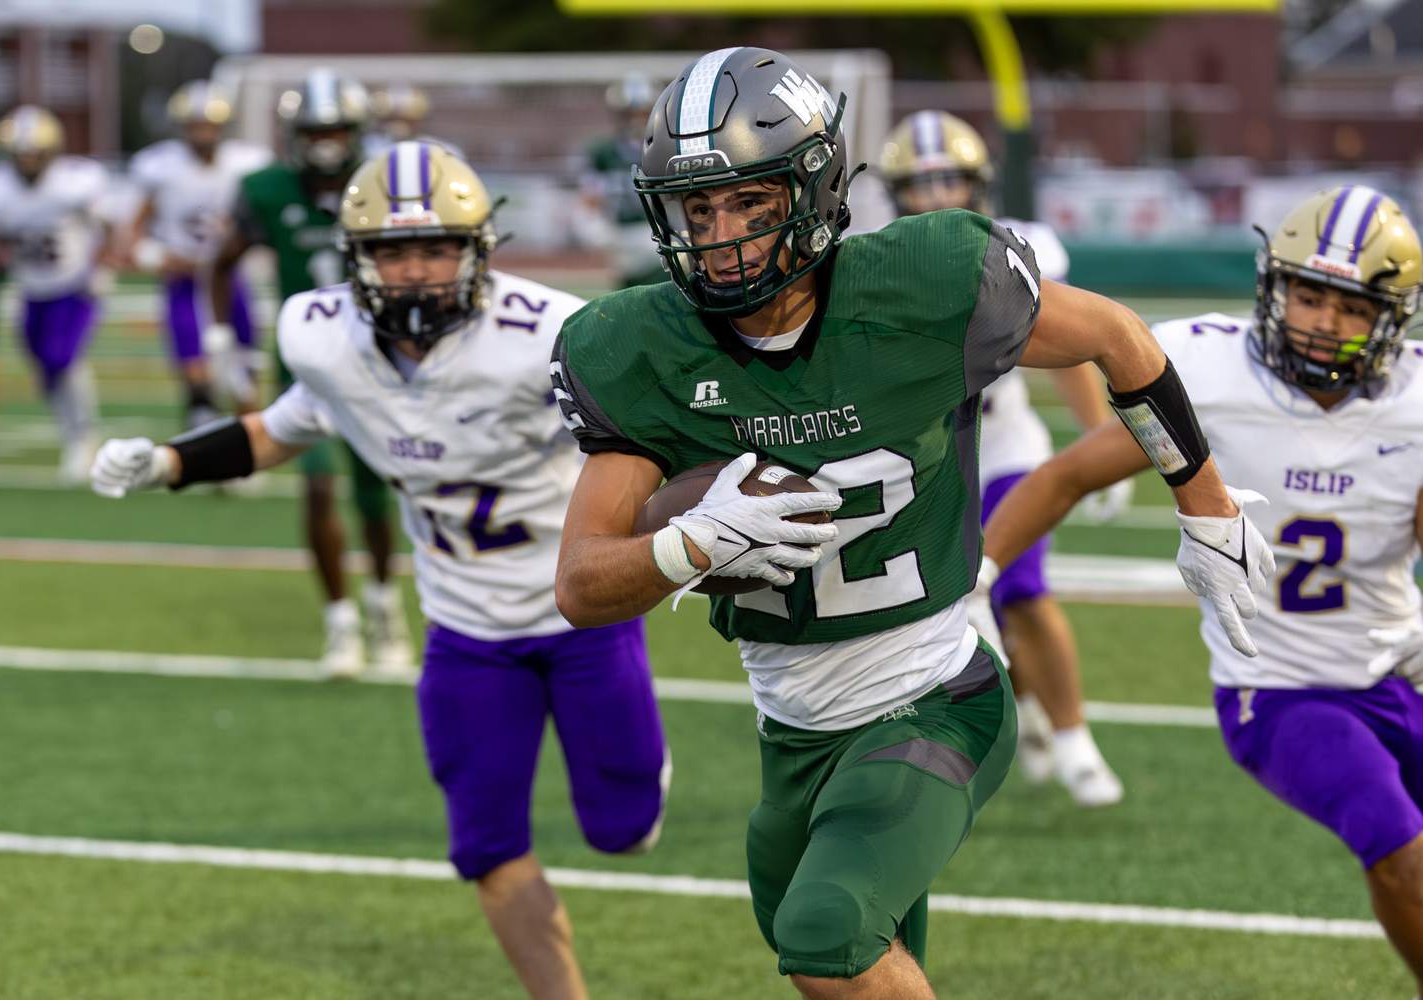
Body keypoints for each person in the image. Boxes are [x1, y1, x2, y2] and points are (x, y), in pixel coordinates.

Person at [551, 47, 1269, 999]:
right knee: (849, 948)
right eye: (697, 207)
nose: (720, 236)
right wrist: (688, 543)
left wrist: (1206, 504)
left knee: (825, 932)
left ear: (811, 188)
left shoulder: (926, 284)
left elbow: (1117, 338)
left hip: (935, 695)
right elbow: (581, 584)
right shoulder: (638, 346)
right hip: (791, 731)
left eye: (750, 202)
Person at [90, 140, 671, 1000]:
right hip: (465, 631)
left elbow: (657, 443)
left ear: (479, 251)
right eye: (392, 253)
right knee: (486, 848)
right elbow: (283, 426)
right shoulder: (326, 340)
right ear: (355, 260)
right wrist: (170, 463)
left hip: (578, 617)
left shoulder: (552, 334)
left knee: (623, 830)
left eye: (437, 248)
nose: (415, 274)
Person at [982, 184, 1423, 995]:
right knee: (1400, 849)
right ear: (1273, 285)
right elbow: (1064, 475)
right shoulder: (1215, 372)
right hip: (1281, 691)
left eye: (1348, 306)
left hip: (1400, 669)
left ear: (1391, 318)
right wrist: (978, 579)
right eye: (1307, 294)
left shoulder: (1415, 406)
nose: (1321, 320)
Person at [880, 109, 1129, 807]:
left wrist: (1096, 438)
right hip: (927, 468)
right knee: (951, 611)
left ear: (978, 184)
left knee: (1020, 591)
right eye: (920, 183)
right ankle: (1023, 713)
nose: (935, 197)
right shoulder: (872, 262)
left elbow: (1073, 348)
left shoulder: (1017, 249)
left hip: (1007, 452)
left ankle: (1076, 738)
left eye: (949, 180)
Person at [210, 68, 412, 676]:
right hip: (306, 361)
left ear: (356, 132)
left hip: (381, 356)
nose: (324, 141)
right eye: (314, 130)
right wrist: (224, 342)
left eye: (335, 129)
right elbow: (219, 265)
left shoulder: (386, 181)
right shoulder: (266, 188)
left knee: (377, 495)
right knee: (319, 485)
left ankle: (383, 603)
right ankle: (340, 623)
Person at [0, 105, 113, 483]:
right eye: (22, 154)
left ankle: (82, 436)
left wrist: (104, 269)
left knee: (62, 358)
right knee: (45, 367)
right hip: (31, 288)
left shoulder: (74, 183)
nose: (28, 161)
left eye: (35, 153)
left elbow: (108, 228)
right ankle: (74, 432)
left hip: (73, 285)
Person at [126, 81, 271, 429]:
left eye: (210, 125)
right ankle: (203, 416)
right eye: (196, 125)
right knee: (193, 363)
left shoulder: (246, 164)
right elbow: (133, 226)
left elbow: (264, 216)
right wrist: (154, 254)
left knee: (244, 363)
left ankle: (248, 439)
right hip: (182, 276)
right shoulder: (161, 166)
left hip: (230, 276)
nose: (203, 133)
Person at [576, 72, 666, 288]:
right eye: (630, 114)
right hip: (620, 235)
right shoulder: (603, 152)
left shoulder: (665, 148)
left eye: (642, 113)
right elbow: (590, 197)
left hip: (656, 233)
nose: (635, 120)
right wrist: (590, 221)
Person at [362, 84, 461, 159]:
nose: (398, 125)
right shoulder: (366, 147)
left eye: (406, 120)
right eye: (393, 119)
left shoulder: (441, 150)